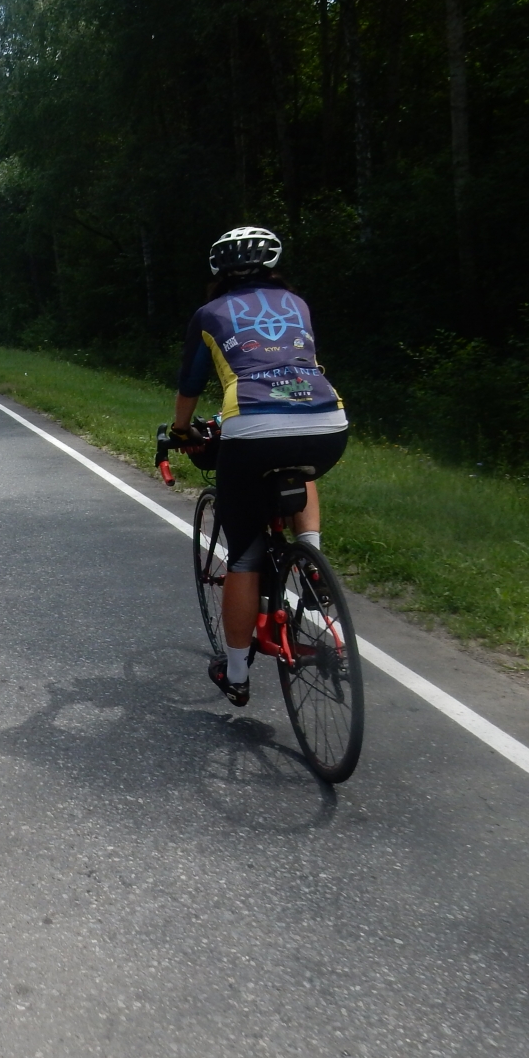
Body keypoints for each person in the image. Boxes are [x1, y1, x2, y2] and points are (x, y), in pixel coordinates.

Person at [171, 226, 348, 706]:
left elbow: (190, 384)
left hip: (252, 427)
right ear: (272, 264)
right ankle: (311, 561)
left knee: (245, 558)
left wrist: (182, 431)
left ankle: (236, 674)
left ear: (218, 271)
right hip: (328, 421)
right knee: (303, 467)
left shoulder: (209, 313)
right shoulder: (298, 304)